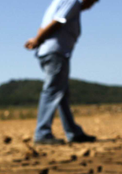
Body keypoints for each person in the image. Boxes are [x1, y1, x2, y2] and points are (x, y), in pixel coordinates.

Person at [24, 0, 99, 145]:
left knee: (61, 93)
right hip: (56, 52)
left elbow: (44, 26)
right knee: (52, 91)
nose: (92, 4)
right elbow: (58, 21)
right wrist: (38, 40)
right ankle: (42, 133)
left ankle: (73, 132)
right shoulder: (71, 2)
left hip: (50, 52)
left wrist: (38, 40)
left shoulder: (58, 2)